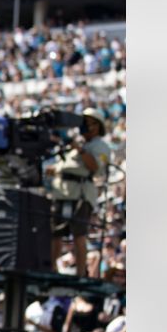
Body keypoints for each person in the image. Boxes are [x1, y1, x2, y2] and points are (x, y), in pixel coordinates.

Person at [49, 108, 111, 275]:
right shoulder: (76, 143)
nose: (84, 126)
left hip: (81, 193)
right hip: (62, 191)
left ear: (96, 126)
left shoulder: (100, 146)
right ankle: (52, 268)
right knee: (55, 232)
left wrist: (81, 150)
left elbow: (95, 168)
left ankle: (81, 272)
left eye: (88, 123)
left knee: (79, 233)